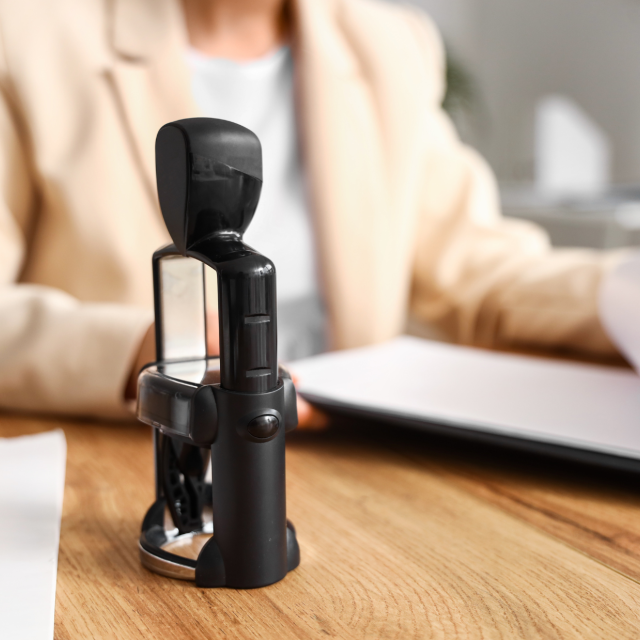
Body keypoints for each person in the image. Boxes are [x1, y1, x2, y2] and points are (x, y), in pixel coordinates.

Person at [0, 0, 626, 423]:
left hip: (341, 465)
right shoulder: (28, 36)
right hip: (126, 467)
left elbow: (482, 273)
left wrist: (623, 294)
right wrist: (142, 349)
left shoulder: (389, 46)